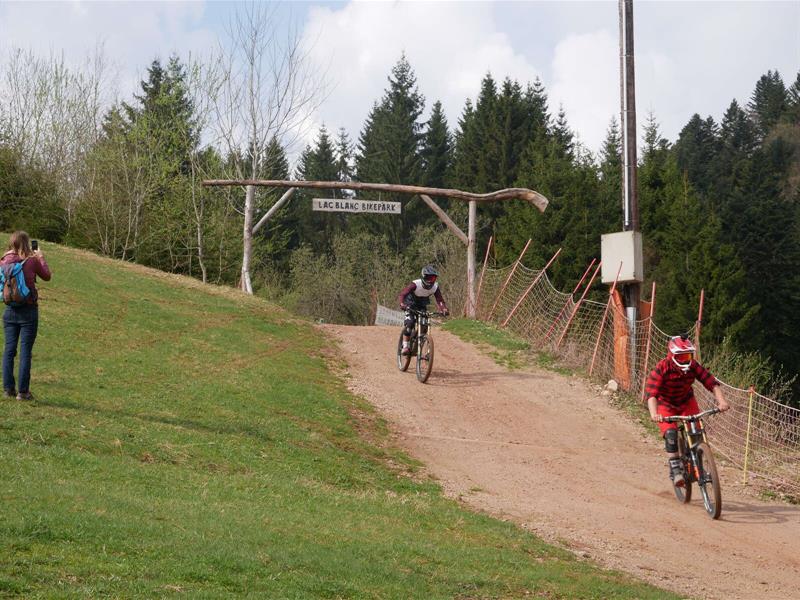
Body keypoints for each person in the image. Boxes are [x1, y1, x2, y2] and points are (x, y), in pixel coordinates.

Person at [645, 334, 730, 487]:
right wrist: (654, 414)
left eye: (688, 355)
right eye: (681, 356)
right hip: (666, 405)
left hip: (686, 402)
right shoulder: (661, 368)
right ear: (672, 355)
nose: (685, 360)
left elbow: (711, 383)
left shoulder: (693, 366)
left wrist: (722, 401)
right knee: (671, 434)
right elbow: (651, 394)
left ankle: (698, 459)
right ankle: (676, 469)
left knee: (697, 431)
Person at [1, 231, 51, 401]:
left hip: (9, 311)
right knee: (25, 352)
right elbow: (47, 276)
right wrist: (41, 257)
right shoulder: (32, 261)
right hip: (28, 311)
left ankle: (8, 389)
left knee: (8, 350)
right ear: (27, 243)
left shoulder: (4, 261)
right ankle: (23, 392)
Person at [397, 265, 449, 355]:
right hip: (410, 304)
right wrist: (402, 304)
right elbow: (402, 294)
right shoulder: (415, 284)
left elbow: (439, 300)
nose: (431, 280)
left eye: (433, 278)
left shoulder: (435, 287)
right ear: (424, 277)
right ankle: (405, 346)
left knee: (424, 325)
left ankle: (417, 342)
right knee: (410, 323)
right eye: (429, 278)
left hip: (422, 305)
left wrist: (443, 309)